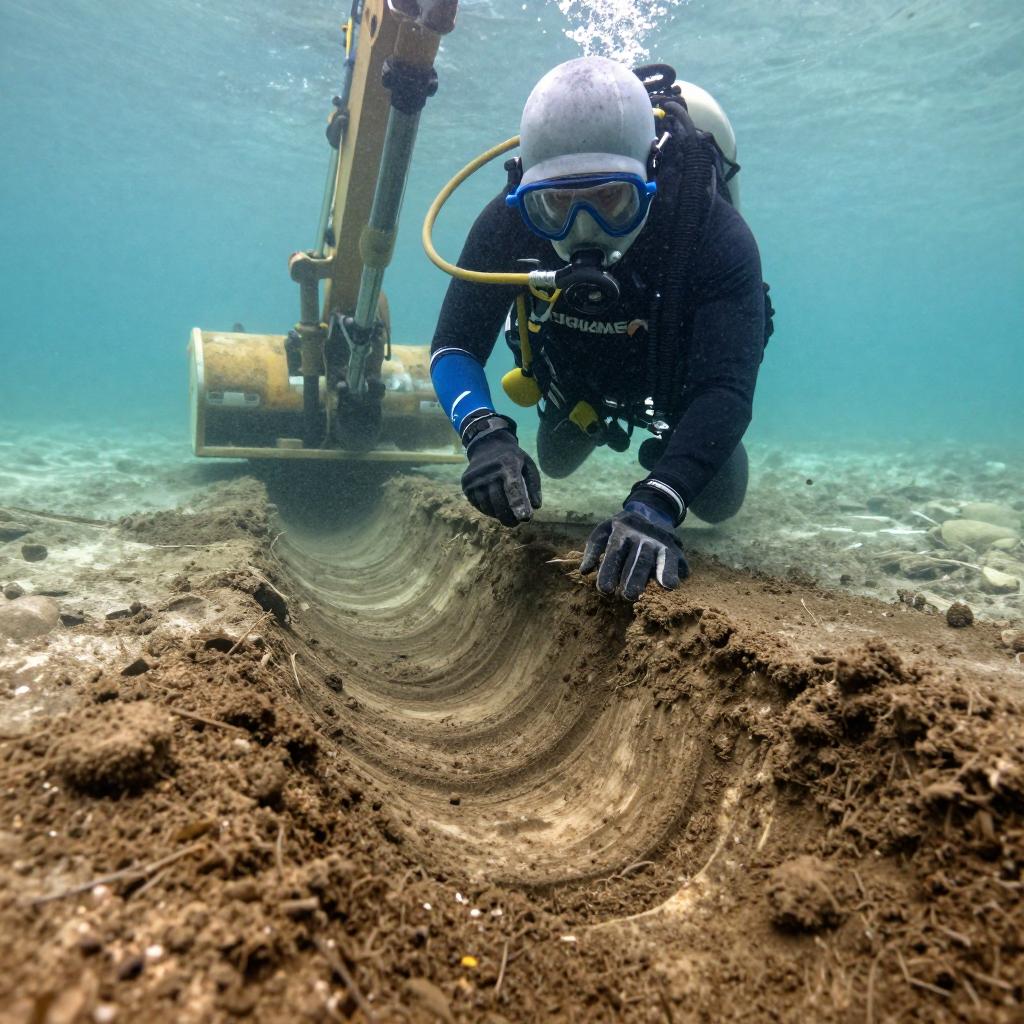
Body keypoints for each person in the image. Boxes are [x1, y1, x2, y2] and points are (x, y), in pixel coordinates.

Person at [428, 56, 771, 602]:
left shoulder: (710, 230)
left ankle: (674, 455)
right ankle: (585, 420)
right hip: (576, 385)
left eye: (611, 200)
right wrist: (483, 433)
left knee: (719, 500)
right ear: (526, 195)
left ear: (649, 178)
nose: (582, 232)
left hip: (680, 395)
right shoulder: (505, 223)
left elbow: (726, 388)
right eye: (555, 206)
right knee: (556, 459)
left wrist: (658, 499)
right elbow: (454, 345)